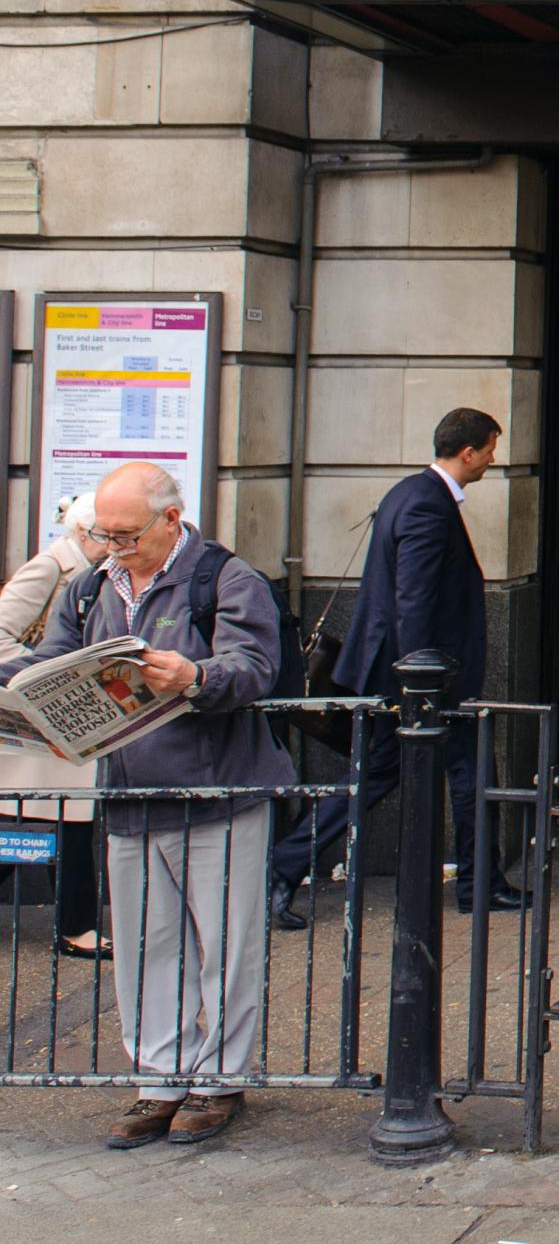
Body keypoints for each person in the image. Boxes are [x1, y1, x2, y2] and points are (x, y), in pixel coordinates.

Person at [8, 462, 292, 1148]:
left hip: (216, 793)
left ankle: (218, 1078)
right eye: (104, 534)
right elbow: (54, 661)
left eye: (127, 534)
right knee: (145, 945)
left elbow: (256, 666)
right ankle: (159, 1078)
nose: (114, 547)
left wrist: (196, 675)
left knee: (223, 944)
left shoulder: (225, 578)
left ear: (171, 518)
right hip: (131, 793)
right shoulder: (89, 586)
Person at [271, 407, 519, 928]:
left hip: (406, 675)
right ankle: (479, 885)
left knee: (377, 775)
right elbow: (415, 598)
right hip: (421, 679)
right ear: (468, 451)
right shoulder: (428, 505)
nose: (493, 461)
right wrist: (420, 682)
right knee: (464, 772)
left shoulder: (409, 493)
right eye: (491, 450)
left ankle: (283, 867)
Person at [0, 494, 109, 957]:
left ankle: (76, 926)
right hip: (33, 712)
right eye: (105, 536)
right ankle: (76, 928)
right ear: (83, 533)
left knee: (68, 822)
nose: (114, 545)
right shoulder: (50, 566)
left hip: (66, 718)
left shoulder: (101, 571)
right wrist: (46, 676)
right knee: (42, 821)